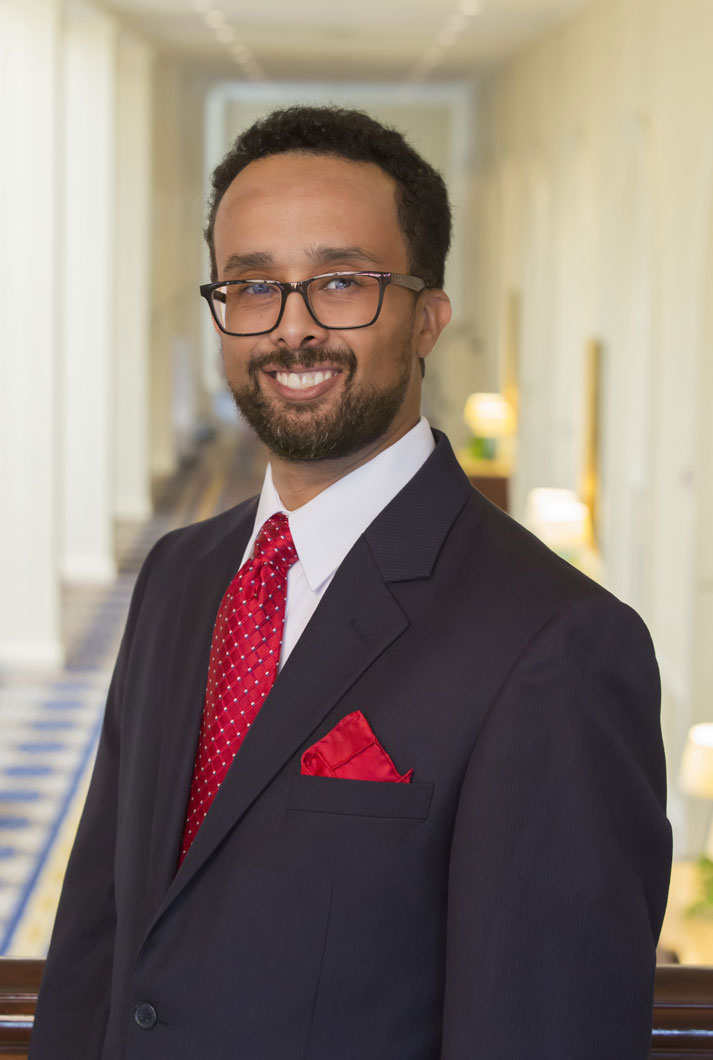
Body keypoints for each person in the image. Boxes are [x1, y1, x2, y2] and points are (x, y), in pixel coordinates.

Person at [30, 105, 672, 1060]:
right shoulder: (180, 576)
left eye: (341, 282)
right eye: (252, 286)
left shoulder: (557, 644)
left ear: (427, 316)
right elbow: (99, 939)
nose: (292, 330)